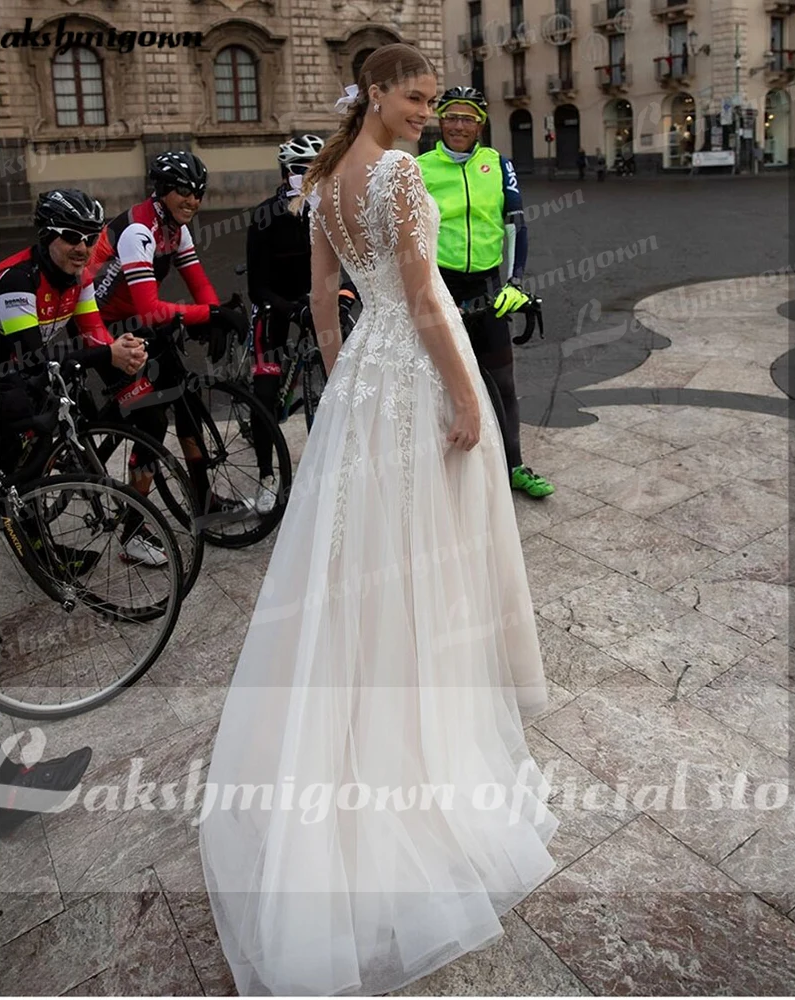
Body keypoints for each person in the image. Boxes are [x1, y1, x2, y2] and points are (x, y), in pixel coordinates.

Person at [200, 44, 558, 997]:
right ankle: (422, 744)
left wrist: (347, 366)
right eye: (415, 96)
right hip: (415, 368)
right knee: (425, 552)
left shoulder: (321, 180)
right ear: (378, 95)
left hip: (366, 376)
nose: (428, 112)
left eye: (433, 99)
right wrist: (463, 395)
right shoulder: (395, 172)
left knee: (366, 555)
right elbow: (423, 294)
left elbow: (326, 297)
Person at [85, 150, 250, 521]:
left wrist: (214, 317)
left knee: (187, 395)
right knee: (152, 420)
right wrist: (211, 313)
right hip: (101, 330)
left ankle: (203, 500)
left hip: (136, 323)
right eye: (183, 191)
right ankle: (132, 526)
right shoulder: (138, 231)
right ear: (161, 191)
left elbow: (198, 282)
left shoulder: (176, 229)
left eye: (198, 192)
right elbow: (150, 309)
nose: (192, 200)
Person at [416, 85, 555, 498]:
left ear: (480, 123)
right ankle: (445, 474)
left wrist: (514, 282)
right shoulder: (419, 167)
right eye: (452, 116)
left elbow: (515, 224)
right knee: (439, 383)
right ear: (441, 120)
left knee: (502, 382)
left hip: (488, 285)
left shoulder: (498, 163)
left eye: (469, 117)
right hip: (440, 286)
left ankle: (513, 466)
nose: (460, 125)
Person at [0, 191, 147, 504]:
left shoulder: (79, 277)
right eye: (71, 237)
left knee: (34, 460)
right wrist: (109, 354)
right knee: (17, 470)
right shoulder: (17, 280)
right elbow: (34, 358)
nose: (83, 248)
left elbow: (94, 334)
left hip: (15, 375)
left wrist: (125, 353)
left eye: (91, 239)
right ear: (47, 235)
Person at [245, 134, 359, 514]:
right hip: (277, 305)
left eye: (316, 169)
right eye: (299, 170)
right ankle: (266, 475)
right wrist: (291, 311)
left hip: (319, 300)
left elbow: (352, 261)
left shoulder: (329, 208)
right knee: (264, 394)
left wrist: (344, 293)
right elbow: (256, 287)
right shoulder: (265, 216)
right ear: (283, 173)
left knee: (347, 379)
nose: (307, 177)